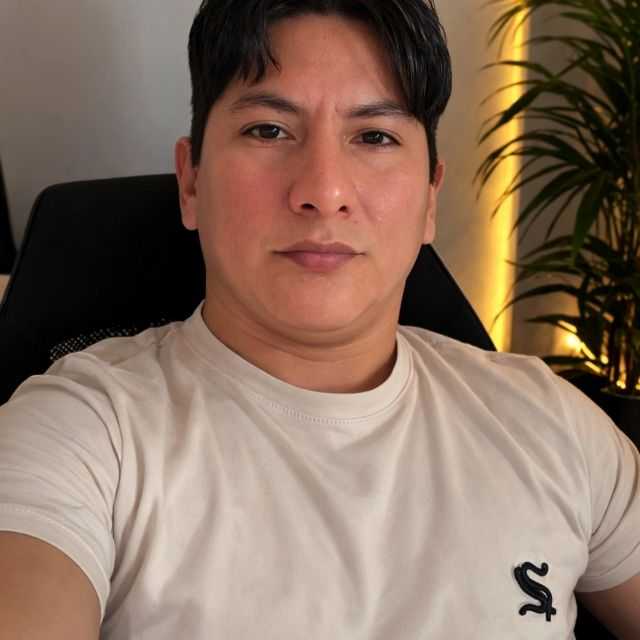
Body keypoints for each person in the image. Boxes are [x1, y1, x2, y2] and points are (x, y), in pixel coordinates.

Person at [0, 0, 639, 637]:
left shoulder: (549, 423)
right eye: (268, 130)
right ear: (191, 182)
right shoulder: (80, 434)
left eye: (375, 136)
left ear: (429, 200)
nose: (324, 191)